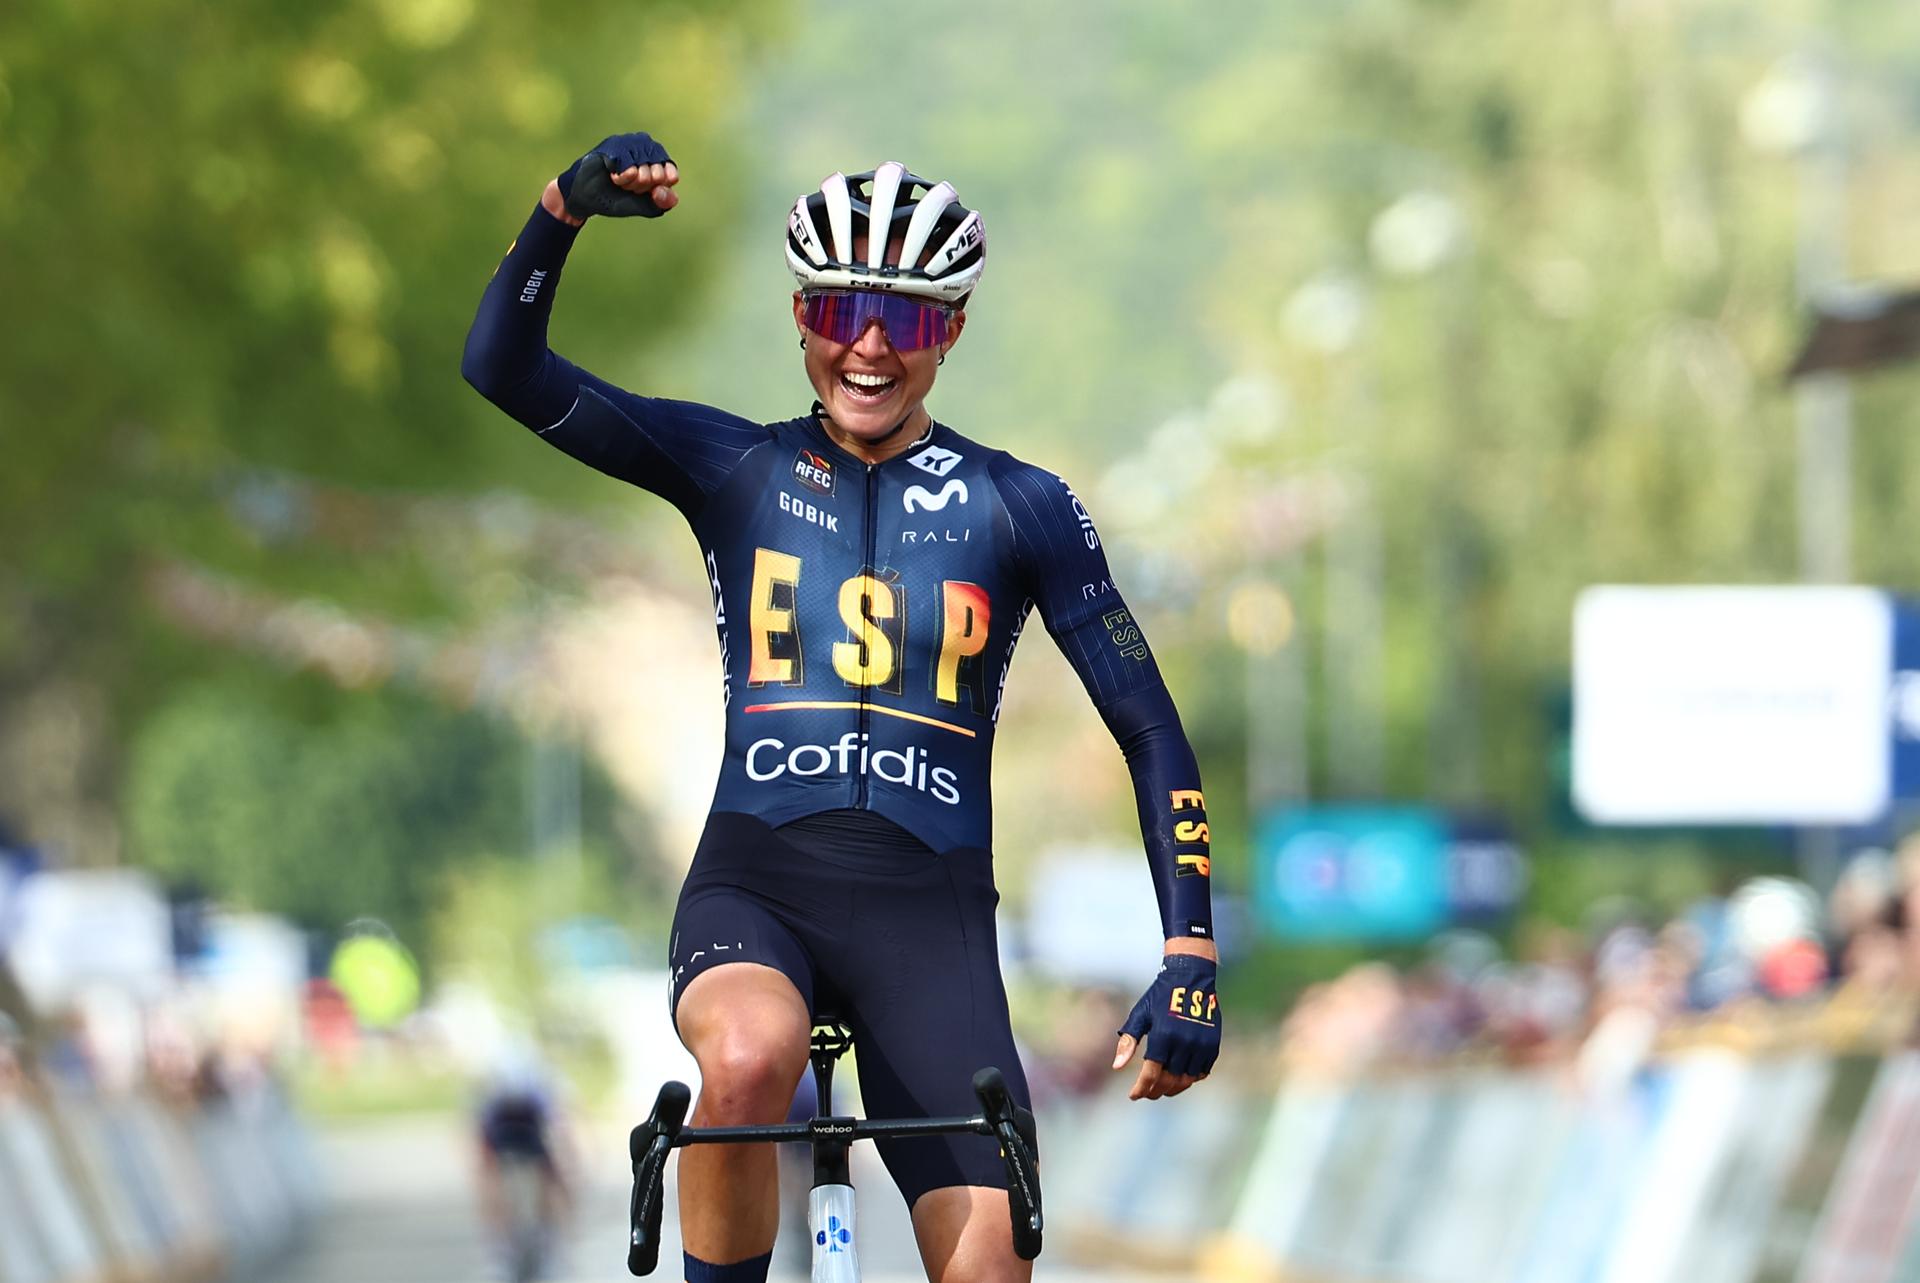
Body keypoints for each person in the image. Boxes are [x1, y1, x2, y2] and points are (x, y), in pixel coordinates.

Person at [462, 132, 1222, 1283]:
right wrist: (562, 209)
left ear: (951, 330)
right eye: (838, 310)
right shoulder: (735, 465)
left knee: (990, 1269)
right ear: (802, 317)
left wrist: (1189, 944)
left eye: (906, 319)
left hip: (932, 917)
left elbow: (1148, 720)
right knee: (754, 1054)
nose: (867, 347)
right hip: (759, 884)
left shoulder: (1024, 506)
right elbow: (502, 368)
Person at [473, 1050, 575, 1282]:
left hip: (529, 1139)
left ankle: (551, 1235)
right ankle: (500, 1244)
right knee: (491, 1184)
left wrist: (566, 1175)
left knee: (554, 1181)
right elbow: (481, 1144)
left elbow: (560, 1131)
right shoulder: (494, 1103)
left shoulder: (536, 1097)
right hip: (505, 1140)